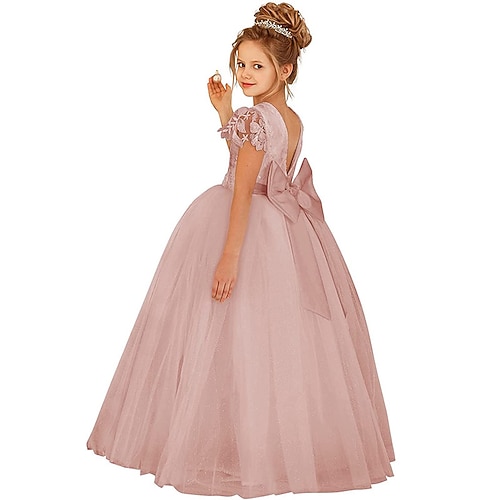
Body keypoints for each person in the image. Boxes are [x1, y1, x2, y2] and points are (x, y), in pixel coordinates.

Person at [87, 2, 395, 497]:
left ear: (284, 70)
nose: (245, 74)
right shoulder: (289, 117)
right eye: (240, 64)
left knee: (230, 338)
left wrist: (229, 256)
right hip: (288, 237)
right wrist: (224, 113)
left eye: (257, 66)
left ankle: (233, 450)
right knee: (274, 342)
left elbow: (243, 188)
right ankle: (276, 449)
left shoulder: (257, 118)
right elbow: (257, 156)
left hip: (246, 229)